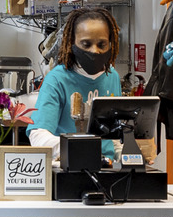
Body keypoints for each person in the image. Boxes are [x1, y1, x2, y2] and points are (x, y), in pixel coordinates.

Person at [29, 8, 125, 146]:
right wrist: (77, 147)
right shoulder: (57, 79)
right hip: (69, 159)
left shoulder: (112, 76)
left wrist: (125, 150)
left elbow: (113, 138)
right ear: (72, 42)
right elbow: (38, 136)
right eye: (86, 44)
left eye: (102, 45)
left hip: (106, 160)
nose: (95, 51)